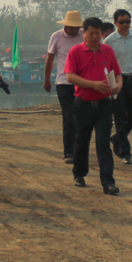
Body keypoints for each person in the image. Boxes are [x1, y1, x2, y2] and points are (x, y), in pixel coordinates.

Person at [64, 17, 122, 195]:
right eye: (92, 33)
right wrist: (92, 84)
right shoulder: (75, 51)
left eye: (98, 33)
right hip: (83, 105)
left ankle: (108, 182)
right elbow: (70, 76)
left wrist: (118, 85)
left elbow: (117, 74)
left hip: (104, 105)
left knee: (103, 143)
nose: (95, 36)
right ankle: (79, 173)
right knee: (82, 141)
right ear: (84, 33)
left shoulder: (108, 51)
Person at [102, 9, 132, 164]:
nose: (125, 24)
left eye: (128, 21)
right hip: (118, 81)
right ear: (115, 23)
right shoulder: (109, 41)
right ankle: (125, 152)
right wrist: (109, 83)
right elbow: (104, 63)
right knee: (120, 116)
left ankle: (117, 138)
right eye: (122, 22)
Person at [44, 11, 84, 164]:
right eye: (71, 27)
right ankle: (69, 151)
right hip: (64, 82)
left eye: (76, 27)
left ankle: (80, 148)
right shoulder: (56, 37)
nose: (74, 30)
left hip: (82, 82)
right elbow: (50, 59)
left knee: (81, 116)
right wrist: (47, 79)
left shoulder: (84, 36)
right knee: (69, 117)